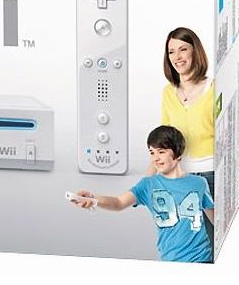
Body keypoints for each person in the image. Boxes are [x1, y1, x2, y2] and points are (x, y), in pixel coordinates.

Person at [70, 126, 214, 263]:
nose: (155, 158)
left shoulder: (199, 183)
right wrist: (94, 199)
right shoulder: (148, 185)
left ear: (177, 153)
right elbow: (119, 202)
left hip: (202, 258)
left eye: (161, 152)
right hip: (170, 258)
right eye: (152, 152)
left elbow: (214, 218)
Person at [153, 27, 215, 196]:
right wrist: (149, 179)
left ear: (195, 51)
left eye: (183, 49)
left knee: (211, 215)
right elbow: (164, 140)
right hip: (179, 175)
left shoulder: (214, 89)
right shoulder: (168, 92)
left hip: (210, 173)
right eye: (171, 52)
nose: (177, 57)